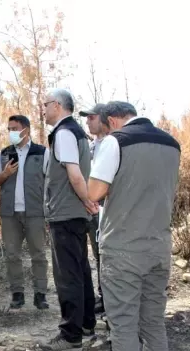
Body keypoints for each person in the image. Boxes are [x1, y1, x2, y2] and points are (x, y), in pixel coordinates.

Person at [88, 101, 180, 351]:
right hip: (159, 246)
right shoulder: (171, 144)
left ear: (113, 120)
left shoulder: (117, 141)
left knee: (124, 325)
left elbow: (95, 191)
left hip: (123, 248)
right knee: (153, 323)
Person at [39, 89, 97, 351]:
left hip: (66, 212)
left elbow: (74, 174)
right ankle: (85, 324)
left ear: (59, 106)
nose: (43, 108)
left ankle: (70, 336)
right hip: (75, 213)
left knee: (67, 275)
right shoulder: (77, 132)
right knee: (80, 269)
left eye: (46, 104)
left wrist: (86, 199)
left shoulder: (63, 133)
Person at [0, 115, 49, 310]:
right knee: (12, 255)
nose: (11, 133)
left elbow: (51, 183)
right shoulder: (4, 153)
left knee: (38, 254)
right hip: (9, 213)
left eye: (14, 128)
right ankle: (17, 293)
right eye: (9, 129)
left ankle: (40, 294)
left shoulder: (42, 153)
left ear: (26, 130)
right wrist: (4, 174)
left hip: (35, 212)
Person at [79, 103, 109, 316]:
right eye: (86, 118)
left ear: (104, 119)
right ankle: (101, 297)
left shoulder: (113, 144)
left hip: (106, 210)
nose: (87, 121)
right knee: (93, 256)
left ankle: (110, 299)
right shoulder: (89, 147)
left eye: (91, 117)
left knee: (105, 255)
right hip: (87, 210)